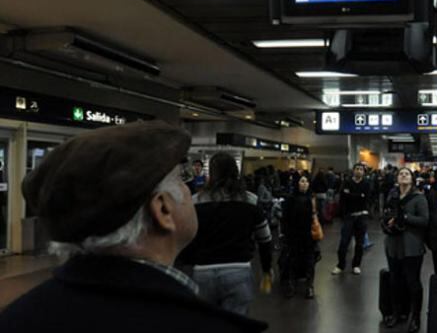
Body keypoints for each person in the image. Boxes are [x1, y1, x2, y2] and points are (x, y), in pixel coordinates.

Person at [0, 122, 267, 333]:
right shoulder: (201, 325)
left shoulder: (17, 318)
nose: (189, 191)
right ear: (162, 210)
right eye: (179, 182)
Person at [179, 152, 271, 315]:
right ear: (236, 172)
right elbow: (265, 239)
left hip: (202, 272)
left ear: (211, 173)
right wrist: (266, 269)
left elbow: (185, 238)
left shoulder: (195, 201)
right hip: (239, 271)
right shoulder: (250, 200)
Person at [382, 167, 430, 333]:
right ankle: (396, 313)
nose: (403, 175)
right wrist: (386, 223)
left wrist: (406, 218)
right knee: (395, 280)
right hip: (393, 245)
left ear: (412, 179)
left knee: (413, 282)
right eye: (401, 174)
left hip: (411, 246)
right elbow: (386, 215)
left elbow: (424, 220)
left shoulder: (419, 198)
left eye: (406, 174)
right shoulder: (392, 195)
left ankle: (415, 316)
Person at [281, 175, 319, 299]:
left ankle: (309, 286)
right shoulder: (290, 199)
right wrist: (286, 234)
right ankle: (291, 285)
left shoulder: (311, 199)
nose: (304, 183)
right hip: (294, 234)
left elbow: (316, 217)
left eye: (306, 181)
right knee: (293, 260)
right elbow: (285, 218)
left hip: (308, 235)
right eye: (302, 181)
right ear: (297, 183)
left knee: (309, 261)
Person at [332, 163, 370, 275]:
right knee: (344, 242)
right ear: (353, 171)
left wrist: (351, 196)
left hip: (361, 216)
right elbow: (343, 198)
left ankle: (356, 265)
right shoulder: (346, 183)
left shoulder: (366, 184)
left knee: (359, 243)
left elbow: (366, 198)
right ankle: (340, 265)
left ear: (363, 172)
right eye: (357, 169)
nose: (359, 171)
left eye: (361, 169)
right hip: (349, 216)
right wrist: (359, 196)